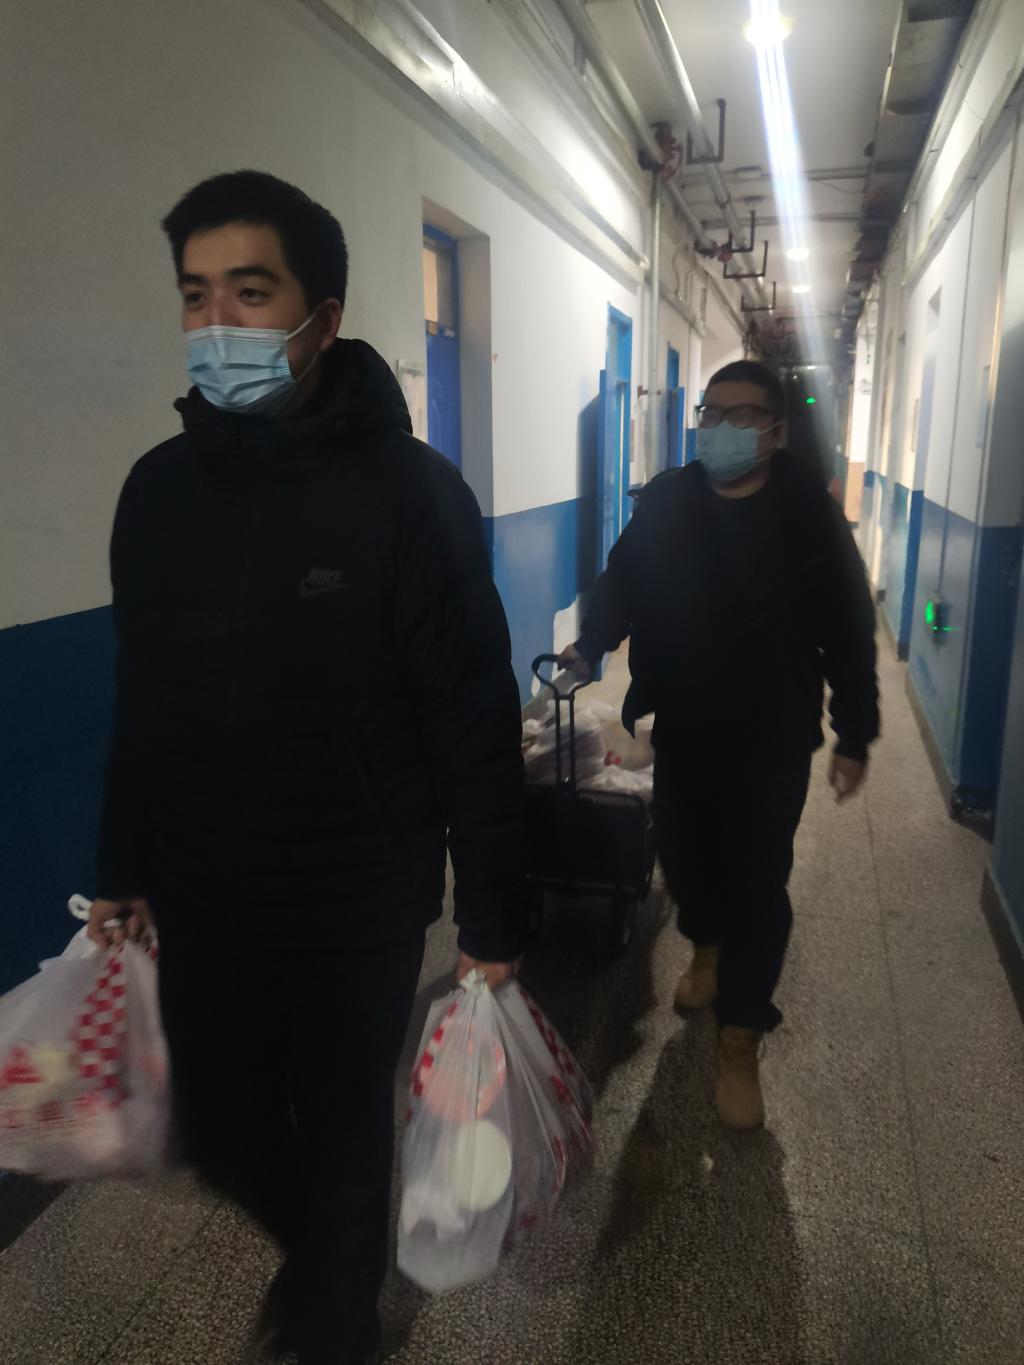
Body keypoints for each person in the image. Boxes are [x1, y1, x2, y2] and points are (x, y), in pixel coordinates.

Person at [87, 171, 527, 1365]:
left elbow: (473, 717)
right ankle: (329, 1256)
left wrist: (491, 917)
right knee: (215, 1125)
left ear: (321, 316)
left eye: (249, 291)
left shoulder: (411, 497)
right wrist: (121, 866)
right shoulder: (156, 493)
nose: (217, 323)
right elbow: (144, 699)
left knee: (341, 1135)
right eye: (195, 296)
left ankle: (337, 1325)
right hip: (205, 891)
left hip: (355, 897)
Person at [559, 359, 878, 1131]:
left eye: (743, 414)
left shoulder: (807, 513)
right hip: (686, 722)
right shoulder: (671, 499)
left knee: (759, 880)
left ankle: (739, 1034)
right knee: (684, 857)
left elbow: (847, 626)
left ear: (775, 431)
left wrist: (855, 731)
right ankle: (705, 945)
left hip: (772, 733)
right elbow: (624, 577)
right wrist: (591, 644)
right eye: (713, 412)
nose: (723, 427)